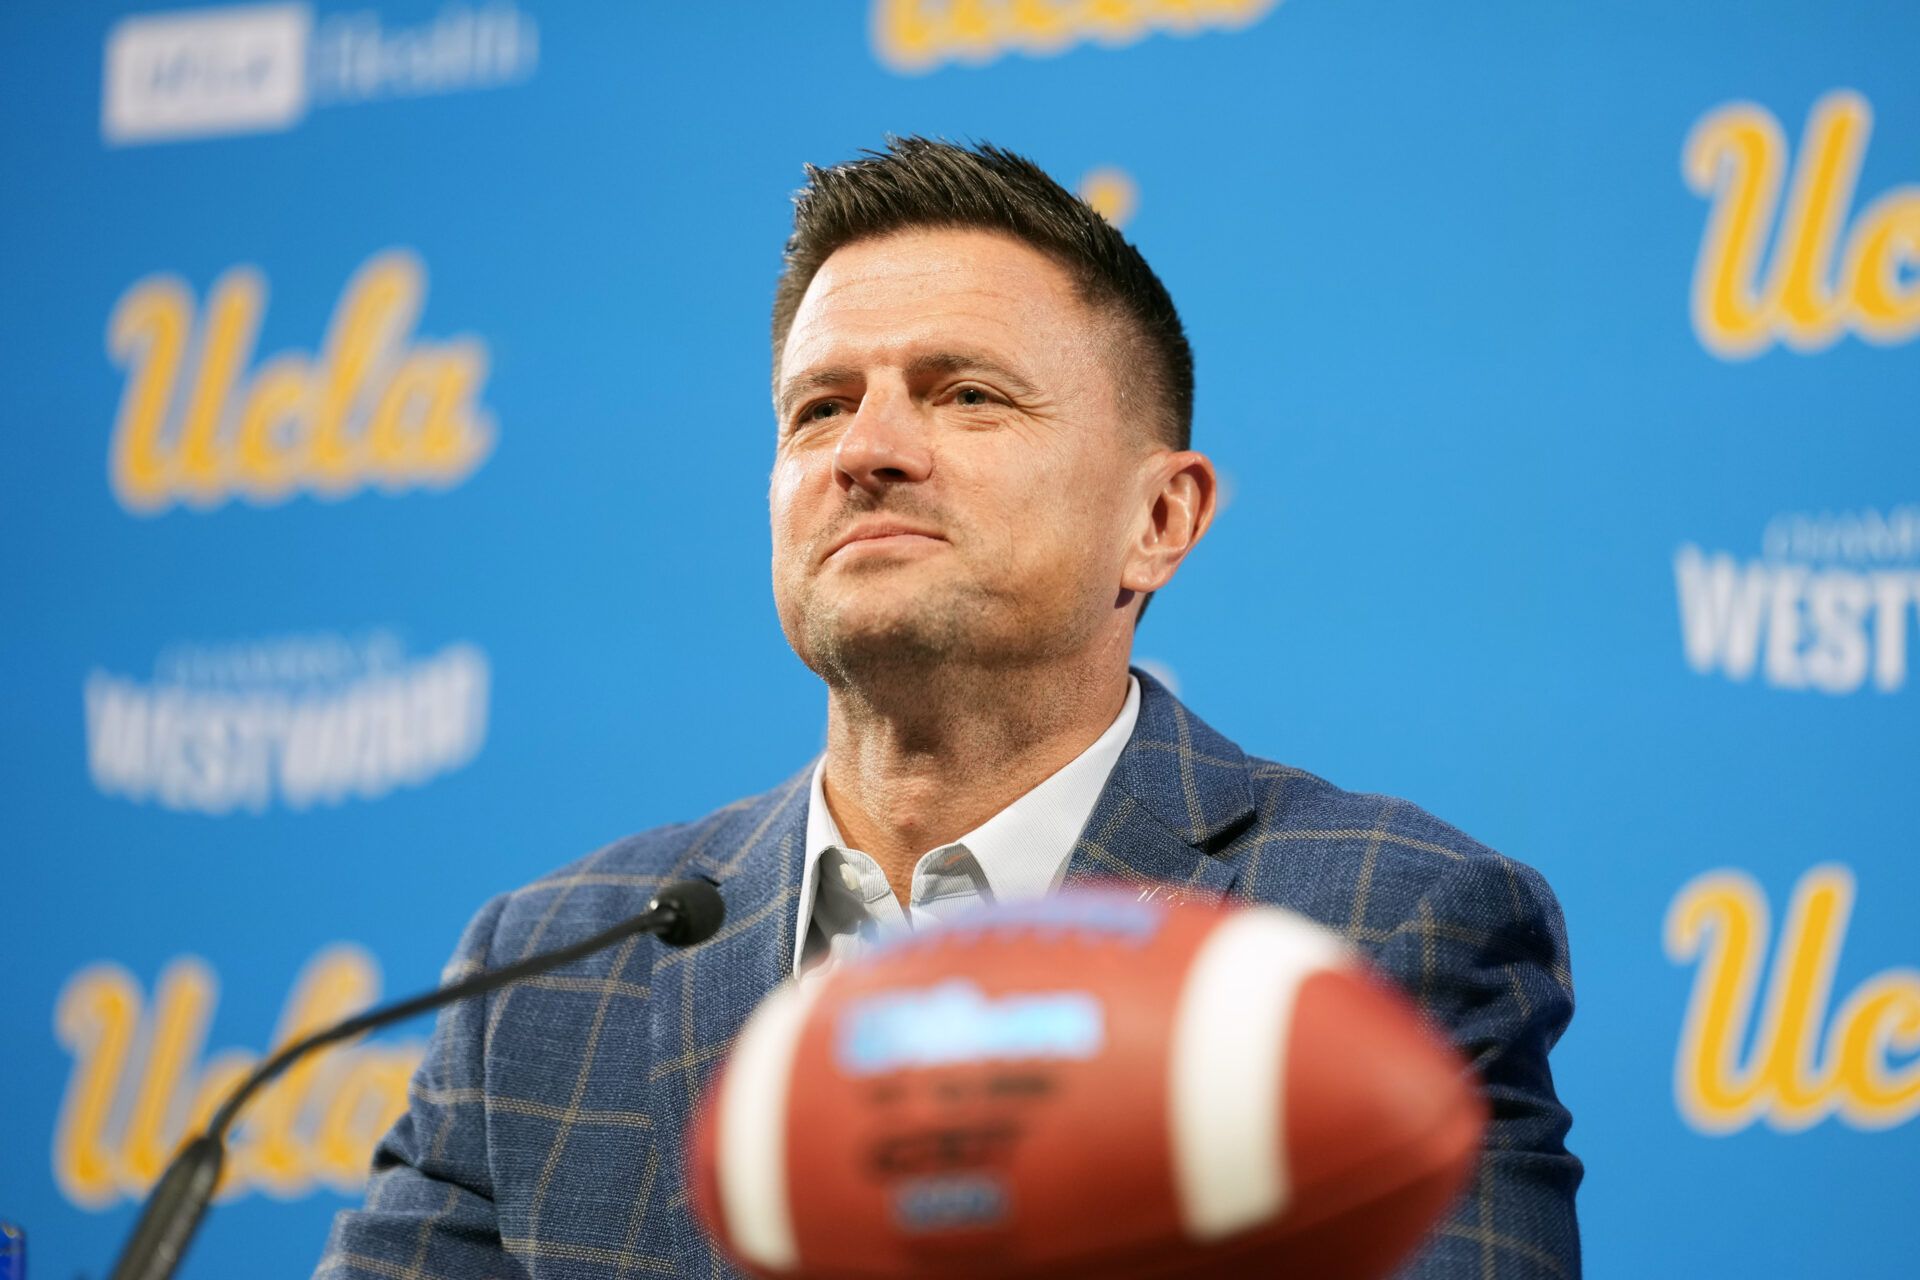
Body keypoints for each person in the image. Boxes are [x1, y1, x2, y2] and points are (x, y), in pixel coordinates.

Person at [315, 138, 1581, 1279]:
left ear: (1159, 519)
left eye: (966, 392)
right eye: (820, 407)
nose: (868, 448)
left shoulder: (1378, 927)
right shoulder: (543, 976)